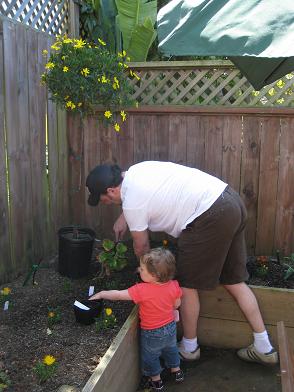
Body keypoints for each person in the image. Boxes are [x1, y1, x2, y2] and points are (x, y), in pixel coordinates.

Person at [86, 161, 279, 366]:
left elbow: (141, 246)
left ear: (111, 190)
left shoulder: (132, 202)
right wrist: (124, 217)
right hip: (229, 201)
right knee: (234, 281)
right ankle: (264, 347)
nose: (105, 202)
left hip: (208, 215)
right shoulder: (136, 171)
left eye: (103, 199)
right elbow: (139, 196)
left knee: (186, 285)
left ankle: (189, 348)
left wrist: (147, 273)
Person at [89, 247, 184, 391]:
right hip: (170, 327)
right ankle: (176, 371)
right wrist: (172, 310)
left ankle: (156, 381)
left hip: (152, 332)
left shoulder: (141, 290)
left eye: (143, 269)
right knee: (171, 349)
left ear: (154, 275)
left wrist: (102, 293)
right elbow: (177, 304)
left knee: (150, 356)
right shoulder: (174, 285)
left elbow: (119, 295)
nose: (139, 270)